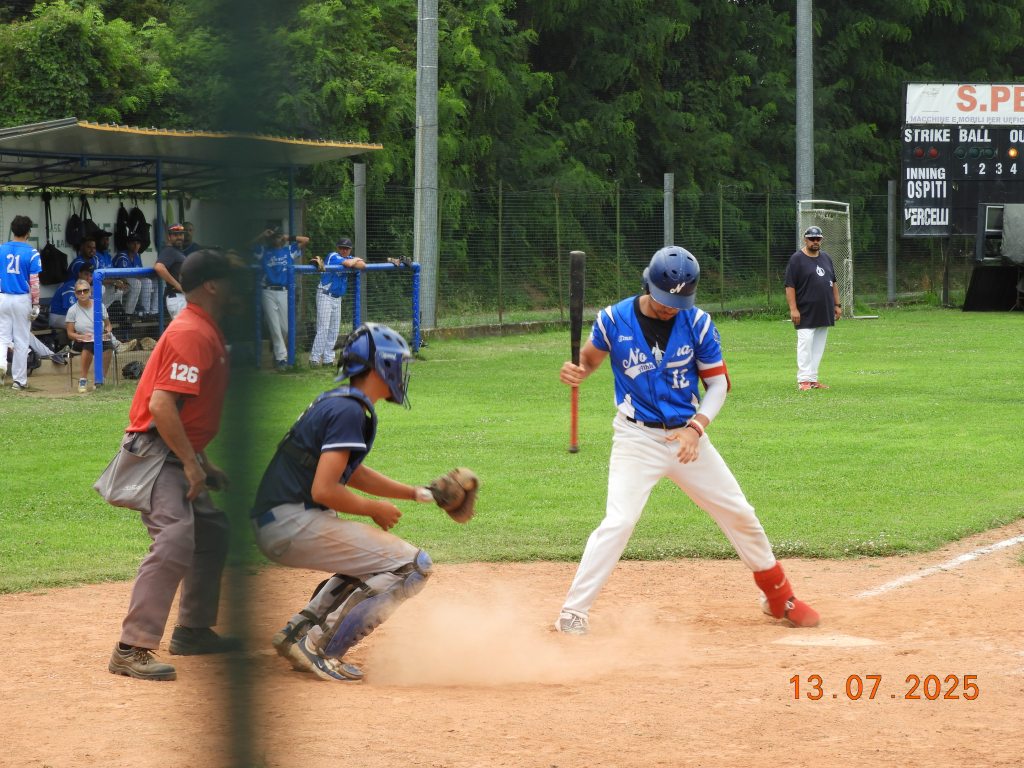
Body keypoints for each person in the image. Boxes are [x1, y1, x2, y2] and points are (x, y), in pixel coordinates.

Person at [554, 246, 820, 636]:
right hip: (636, 438)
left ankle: (779, 598)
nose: (670, 309)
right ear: (647, 285)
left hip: (686, 437)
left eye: (679, 302)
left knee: (739, 512)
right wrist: (578, 369)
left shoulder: (698, 324)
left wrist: (696, 428)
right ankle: (573, 612)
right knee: (619, 521)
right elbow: (590, 359)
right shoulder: (613, 319)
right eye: (665, 300)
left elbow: (718, 385)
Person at [251, 323, 434, 682]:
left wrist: (417, 493)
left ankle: (297, 633)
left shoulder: (339, 402)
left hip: (280, 520)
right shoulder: (349, 411)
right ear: (379, 367)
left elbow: (352, 472)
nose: (400, 373)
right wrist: (373, 508)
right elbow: (325, 489)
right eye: (396, 364)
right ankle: (318, 646)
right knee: (413, 566)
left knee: (372, 562)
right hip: (291, 522)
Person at [108, 249, 242, 682]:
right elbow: (162, 406)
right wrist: (190, 463)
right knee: (175, 536)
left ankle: (193, 630)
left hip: (174, 450)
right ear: (213, 286)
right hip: (156, 452)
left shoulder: (205, 329)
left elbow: (186, 411)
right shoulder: (192, 333)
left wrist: (203, 460)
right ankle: (131, 648)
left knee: (210, 531)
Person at [784, 225, 841, 391]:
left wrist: (837, 305)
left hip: (824, 309)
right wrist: (793, 309)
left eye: (818, 239)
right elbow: (790, 286)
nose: (815, 241)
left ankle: (813, 379)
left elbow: (833, 283)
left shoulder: (826, 258)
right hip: (805, 311)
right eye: (812, 239)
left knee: (818, 346)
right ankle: (803, 380)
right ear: (805, 239)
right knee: (806, 343)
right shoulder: (797, 259)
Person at [252, 226, 310, 369]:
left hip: (284, 291)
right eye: (274, 236)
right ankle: (281, 359)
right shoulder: (264, 251)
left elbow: (306, 240)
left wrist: (288, 237)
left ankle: (278, 352)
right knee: (274, 326)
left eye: (278, 236)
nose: (276, 238)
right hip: (268, 291)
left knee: (285, 328)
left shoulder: (288, 250)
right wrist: (263, 235)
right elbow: (247, 246)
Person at [308, 237, 366, 367]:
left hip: (337, 297)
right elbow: (350, 264)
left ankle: (328, 359)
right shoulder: (333, 256)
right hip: (325, 295)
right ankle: (314, 359)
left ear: (350, 249)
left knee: (334, 329)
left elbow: (363, 265)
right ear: (337, 248)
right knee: (323, 328)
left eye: (347, 248)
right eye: (342, 248)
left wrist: (355, 260)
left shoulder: (349, 257)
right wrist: (356, 259)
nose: (344, 250)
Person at [0, 214, 42, 390]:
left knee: (2, 337)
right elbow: (34, 281)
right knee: (21, 340)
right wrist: (36, 304)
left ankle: (1, 364)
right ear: (28, 232)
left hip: (3, 296)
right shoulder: (32, 253)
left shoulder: (1, 249)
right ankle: (19, 380)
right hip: (22, 298)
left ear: (12, 230)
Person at [65, 278, 114, 393]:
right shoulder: (72, 310)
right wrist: (80, 337)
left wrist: (107, 332)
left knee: (109, 347)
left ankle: (100, 379)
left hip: (99, 337)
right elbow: (70, 333)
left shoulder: (99, 305)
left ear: (90, 292)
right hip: (81, 340)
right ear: (75, 294)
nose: (82, 293)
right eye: (79, 291)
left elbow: (108, 325)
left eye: (85, 290)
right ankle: (83, 379)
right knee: (89, 345)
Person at [114, 233, 154, 320]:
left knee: (147, 281)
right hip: (117, 283)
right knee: (136, 283)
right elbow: (121, 275)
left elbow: (140, 273)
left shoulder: (137, 256)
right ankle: (128, 314)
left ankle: (146, 312)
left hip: (131, 281)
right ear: (128, 244)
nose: (136, 246)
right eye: (133, 243)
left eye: (138, 243)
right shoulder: (122, 256)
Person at [152, 223, 188, 319]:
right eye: (175, 235)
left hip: (181, 297)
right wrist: (178, 285)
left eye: (181, 234)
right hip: (177, 297)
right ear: (169, 237)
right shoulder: (169, 250)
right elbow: (159, 267)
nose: (179, 237)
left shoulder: (177, 251)